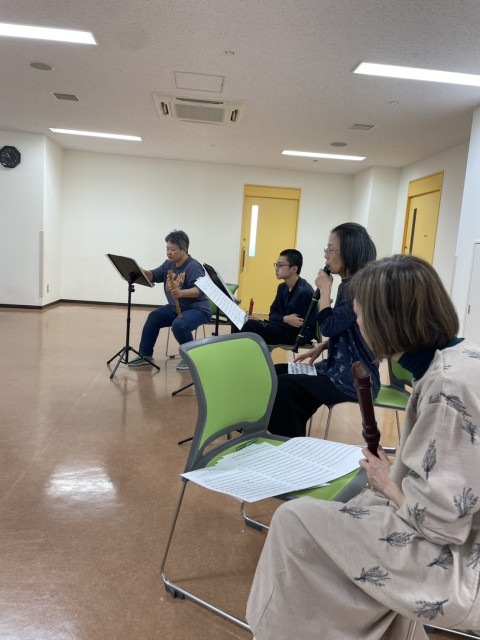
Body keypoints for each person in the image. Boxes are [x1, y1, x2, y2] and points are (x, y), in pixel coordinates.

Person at [246, 254, 480, 640]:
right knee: (355, 507)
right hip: (460, 534)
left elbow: (439, 527)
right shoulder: (460, 355)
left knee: (294, 521)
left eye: (359, 317)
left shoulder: (446, 390)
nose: (357, 325)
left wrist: (388, 482)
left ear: (387, 322)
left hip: (460, 565)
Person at [268, 222, 380, 438]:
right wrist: (325, 345)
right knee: (279, 371)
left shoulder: (357, 287)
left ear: (348, 252)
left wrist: (325, 290)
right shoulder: (350, 284)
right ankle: (291, 435)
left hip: (353, 378)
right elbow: (350, 329)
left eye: (330, 249)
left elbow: (328, 326)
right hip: (337, 367)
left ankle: (290, 443)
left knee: (285, 385)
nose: (326, 256)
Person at [129, 230, 211, 370]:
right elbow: (153, 275)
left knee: (179, 325)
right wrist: (139, 270)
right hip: (176, 308)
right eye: (167, 249)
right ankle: (145, 355)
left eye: (173, 249)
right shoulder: (169, 264)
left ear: (184, 250)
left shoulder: (193, 266)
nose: (169, 252)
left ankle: (191, 357)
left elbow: (200, 290)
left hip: (197, 309)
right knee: (154, 317)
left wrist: (181, 293)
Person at [235, 249, 316, 346]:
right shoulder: (282, 287)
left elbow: (296, 326)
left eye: (280, 265)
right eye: (276, 265)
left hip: (298, 335)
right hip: (283, 328)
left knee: (250, 325)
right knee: (241, 322)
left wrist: (264, 323)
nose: (276, 269)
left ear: (294, 269)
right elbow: (272, 314)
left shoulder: (304, 292)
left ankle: (238, 353)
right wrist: (283, 319)